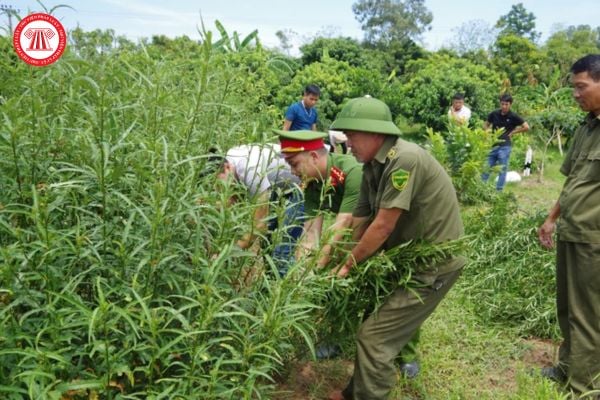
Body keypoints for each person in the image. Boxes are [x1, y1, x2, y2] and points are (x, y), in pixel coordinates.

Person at [328, 96, 466, 400]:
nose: (347, 143)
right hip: (403, 260)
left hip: (432, 265)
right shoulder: (369, 168)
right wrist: (330, 258)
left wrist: (348, 265)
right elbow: (360, 222)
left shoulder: (404, 159)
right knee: (371, 322)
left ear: (374, 133)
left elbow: (383, 226)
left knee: (375, 338)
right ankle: (357, 392)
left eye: (351, 135)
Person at [537, 54, 600, 396]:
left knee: (589, 315)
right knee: (568, 308)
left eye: (581, 86)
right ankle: (568, 367)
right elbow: (573, 181)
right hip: (572, 232)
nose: (575, 94)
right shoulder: (586, 128)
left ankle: (584, 385)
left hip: (595, 238)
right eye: (573, 87)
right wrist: (550, 219)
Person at [205, 144, 304, 277]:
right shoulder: (230, 159)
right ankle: (270, 285)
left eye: (218, 184)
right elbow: (232, 202)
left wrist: (226, 254)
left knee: (282, 247)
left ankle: (281, 290)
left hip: (306, 181)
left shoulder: (249, 170)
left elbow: (260, 226)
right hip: (281, 185)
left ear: (227, 168)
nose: (218, 190)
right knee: (267, 242)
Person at [481, 93, 530, 191]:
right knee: (486, 167)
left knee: (502, 170)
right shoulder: (494, 114)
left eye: (506, 104)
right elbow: (485, 124)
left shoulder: (513, 116)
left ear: (510, 104)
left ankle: (498, 191)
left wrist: (514, 132)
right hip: (493, 145)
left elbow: (526, 127)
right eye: (502, 104)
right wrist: (487, 132)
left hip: (505, 146)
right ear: (500, 103)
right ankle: (481, 188)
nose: (504, 106)